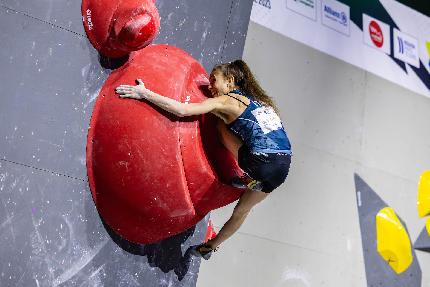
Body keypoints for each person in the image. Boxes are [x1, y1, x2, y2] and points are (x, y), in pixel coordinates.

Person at [115, 60, 292, 259]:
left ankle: (249, 178)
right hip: (283, 166)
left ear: (230, 81)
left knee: (221, 126)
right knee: (242, 211)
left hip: (259, 162)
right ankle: (209, 247)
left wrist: (144, 93)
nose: (209, 86)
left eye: (213, 80)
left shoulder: (227, 101)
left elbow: (182, 110)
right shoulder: (260, 102)